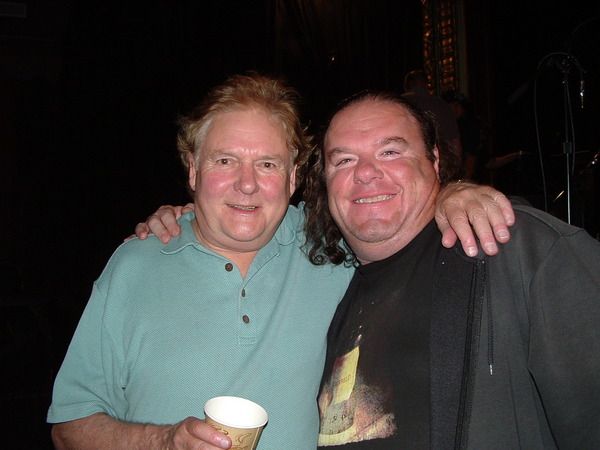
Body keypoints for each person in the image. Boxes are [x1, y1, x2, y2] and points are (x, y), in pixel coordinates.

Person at [48, 74, 512, 450]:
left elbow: (391, 209)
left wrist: (451, 193)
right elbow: (69, 426)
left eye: (267, 164)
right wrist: (163, 442)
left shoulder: (328, 244)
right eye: (225, 161)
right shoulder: (136, 264)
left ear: (293, 178)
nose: (246, 184)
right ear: (193, 170)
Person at [300, 91, 599, 448]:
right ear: (325, 180)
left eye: (390, 152)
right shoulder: (328, 292)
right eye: (345, 160)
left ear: (435, 160)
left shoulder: (514, 249)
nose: (365, 172)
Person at [402, 69, 463, 179]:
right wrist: (455, 170)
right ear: (426, 84)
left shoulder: (398, 104)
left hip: (408, 164)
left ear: (407, 85)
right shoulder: (441, 105)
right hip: (439, 165)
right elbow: (454, 142)